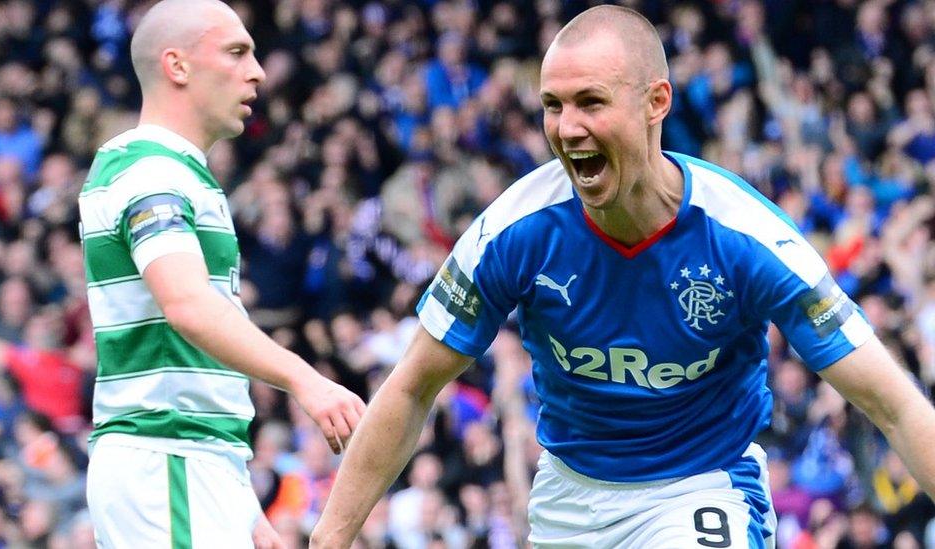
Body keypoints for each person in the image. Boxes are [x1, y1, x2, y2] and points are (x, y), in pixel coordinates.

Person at [311, 6, 935, 548]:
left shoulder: (747, 238)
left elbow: (896, 405)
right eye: (553, 105)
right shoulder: (515, 232)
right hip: (568, 499)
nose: (567, 127)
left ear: (656, 103)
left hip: (702, 486)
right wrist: (329, 538)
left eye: (591, 102)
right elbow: (411, 387)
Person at [78, 1, 366, 547]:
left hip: (195, 461)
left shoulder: (176, 171)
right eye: (236, 52)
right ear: (177, 66)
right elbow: (187, 306)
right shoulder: (150, 169)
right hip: (167, 458)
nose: (257, 71)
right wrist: (305, 378)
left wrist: (241, 505)